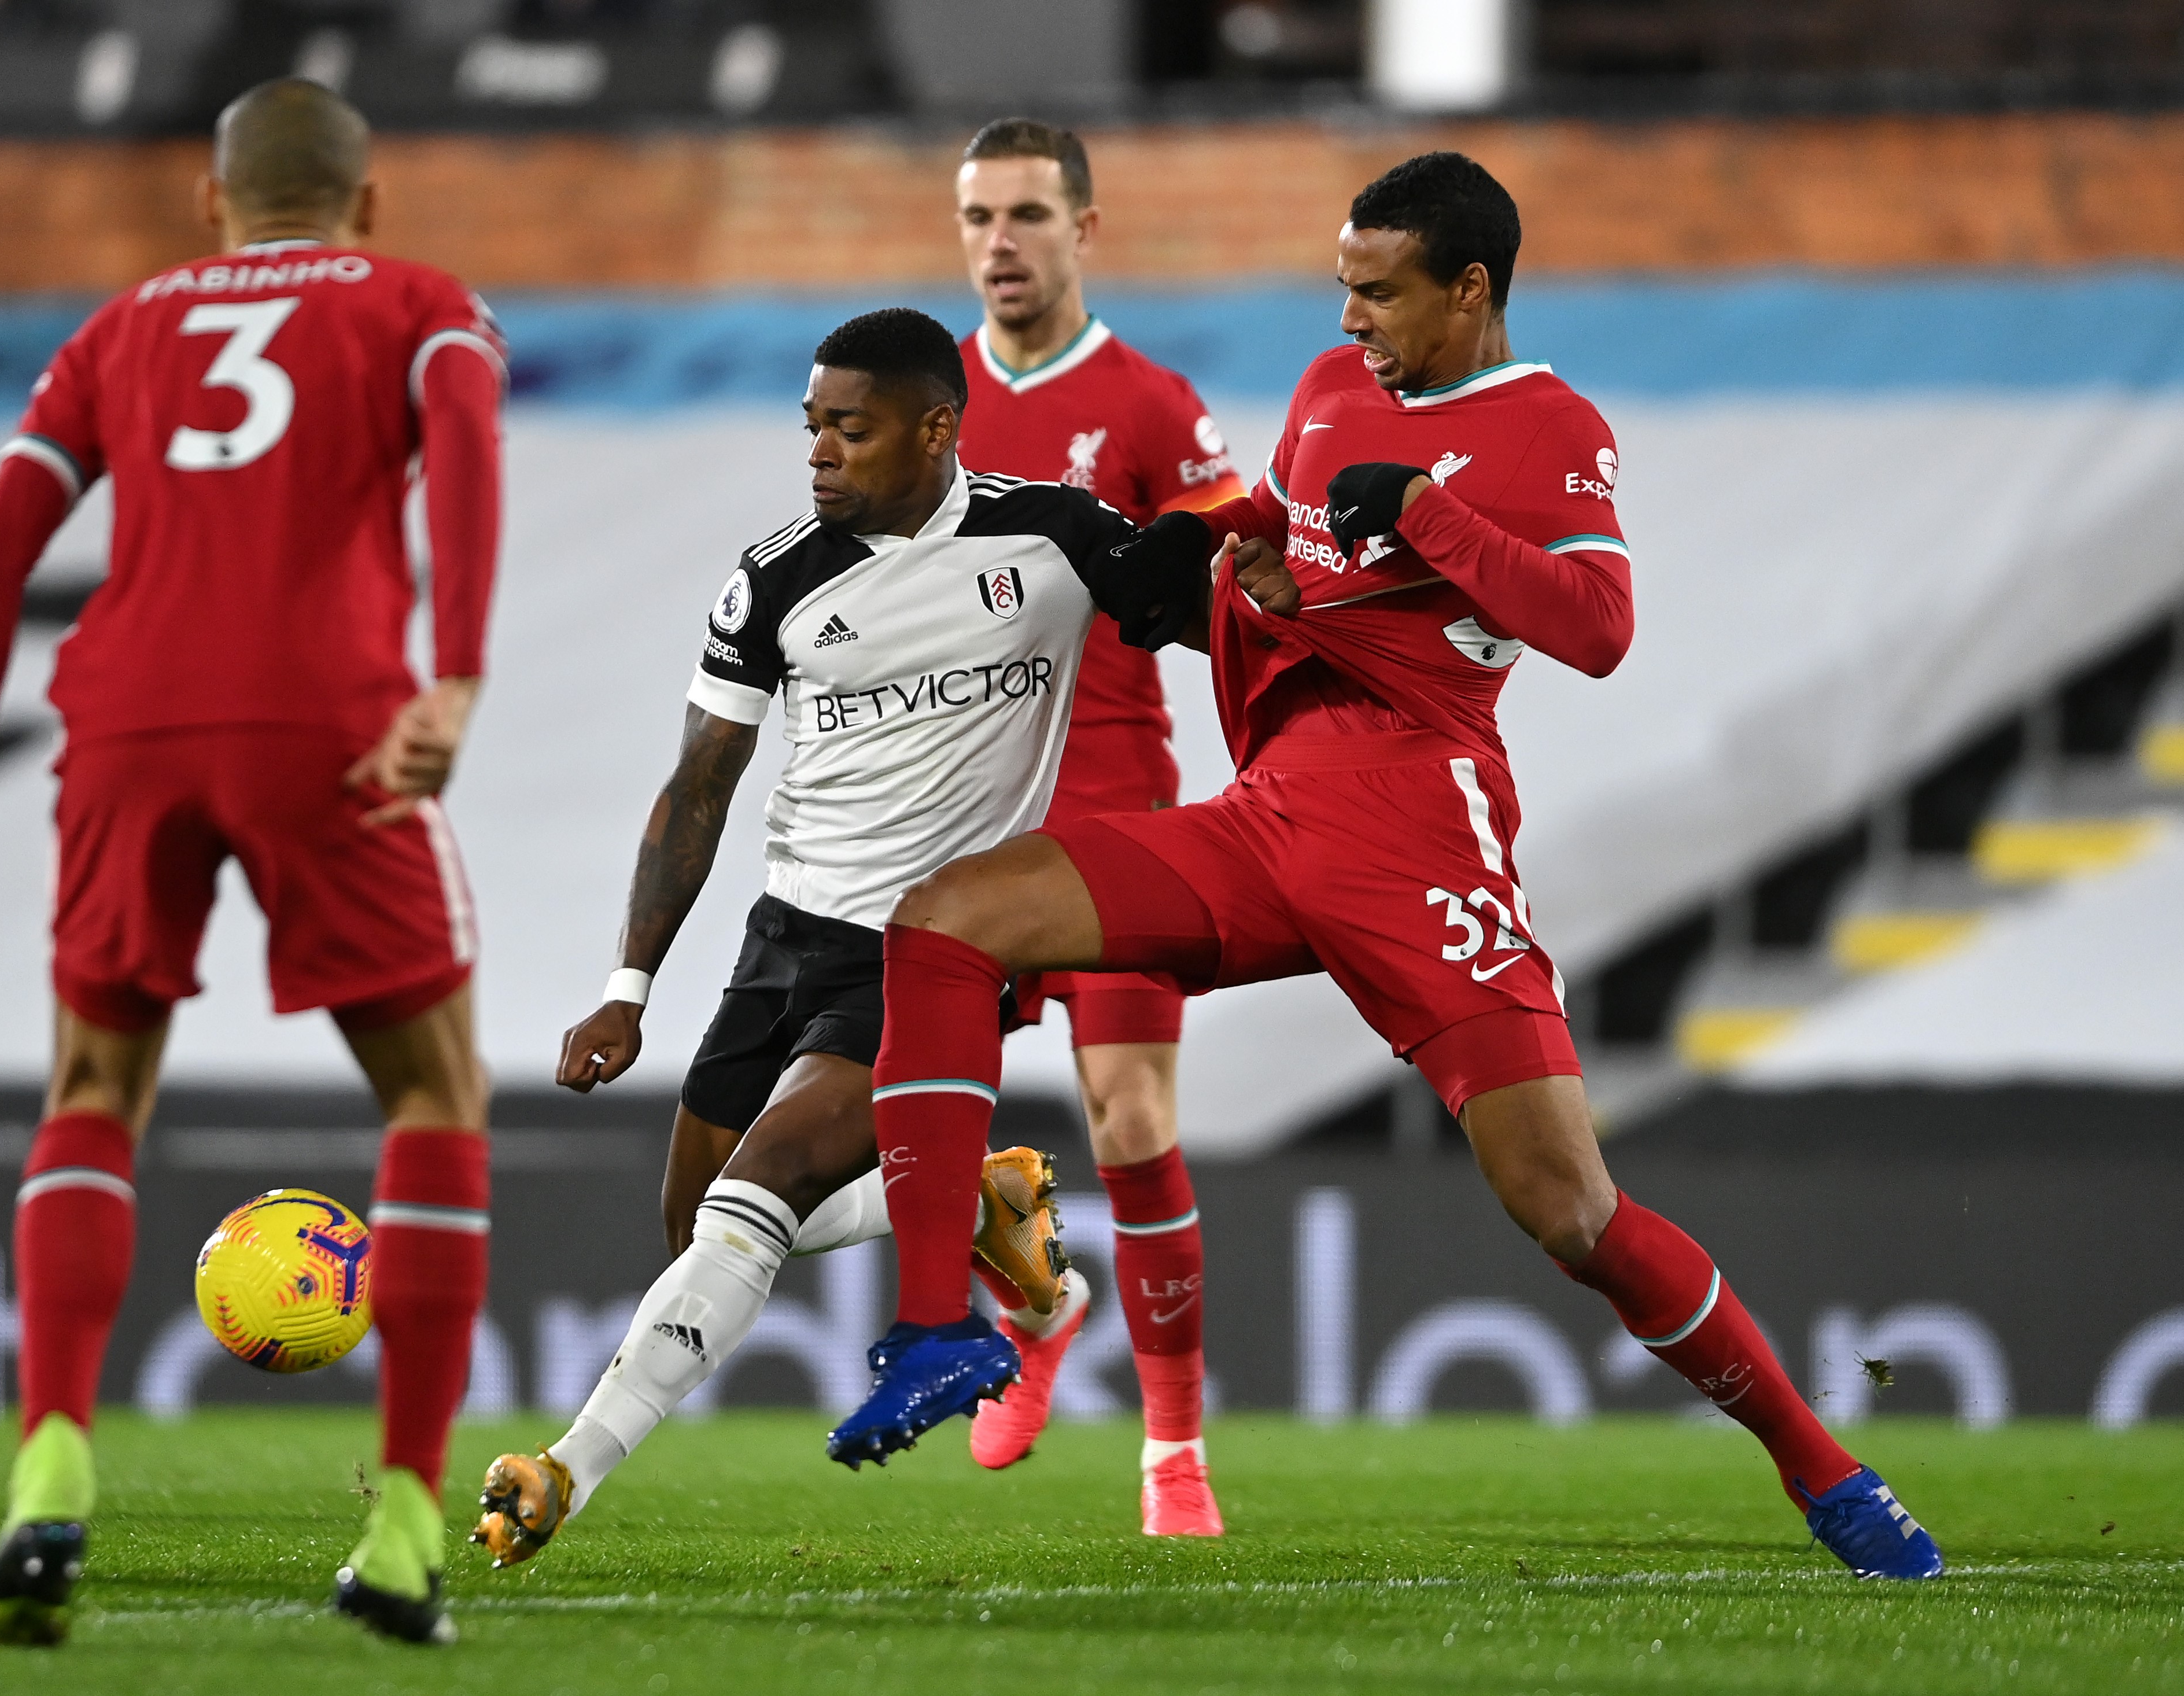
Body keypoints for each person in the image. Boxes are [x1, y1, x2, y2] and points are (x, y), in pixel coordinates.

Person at [831, 152, 1945, 1583]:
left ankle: (1826, 1468)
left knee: (1571, 1213)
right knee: (947, 917)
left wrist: (1426, 510)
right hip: (1263, 815)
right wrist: (1204, 554)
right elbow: (1287, 552)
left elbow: (1595, 624)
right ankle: (941, 1325)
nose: (1350, 318)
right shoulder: (1323, 389)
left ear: (1466, 288)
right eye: (1341, 287)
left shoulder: (1548, 424)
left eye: (1378, 292)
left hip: (1420, 840)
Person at [0, 78, 508, 1645]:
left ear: (209, 207)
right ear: (366, 203)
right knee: (435, 1097)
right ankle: (410, 1527)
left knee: (92, 1091)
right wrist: (455, 671)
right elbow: (467, 445)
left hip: (130, 725)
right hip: (329, 718)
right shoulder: (421, 302)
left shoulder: (121, 329)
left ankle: (46, 1471)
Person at [470, 307, 1241, 1568]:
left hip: (933, 950)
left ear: (936, 429)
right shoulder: (775, 574)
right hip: (786, 937)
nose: (820, 452)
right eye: (812, 425)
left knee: (750, 1202)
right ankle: (984, 1210)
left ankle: (560, 1471)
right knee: (698, 1234)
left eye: (850, 426)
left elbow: (1194, 606)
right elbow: (695, 787)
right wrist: (628, 986)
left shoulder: (1045, 532)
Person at [949, 117, 1250, 1536]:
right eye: (976, 217)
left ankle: (1171, 1451)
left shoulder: (1143, 404)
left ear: (1083, 229)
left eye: (1024, 214)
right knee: (889, 1122)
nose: (998, 242)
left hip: (1113, 800)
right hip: (953, 817)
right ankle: (1039, 1301)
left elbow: (1230, 587)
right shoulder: (919, 399)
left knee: (1129, 1121)